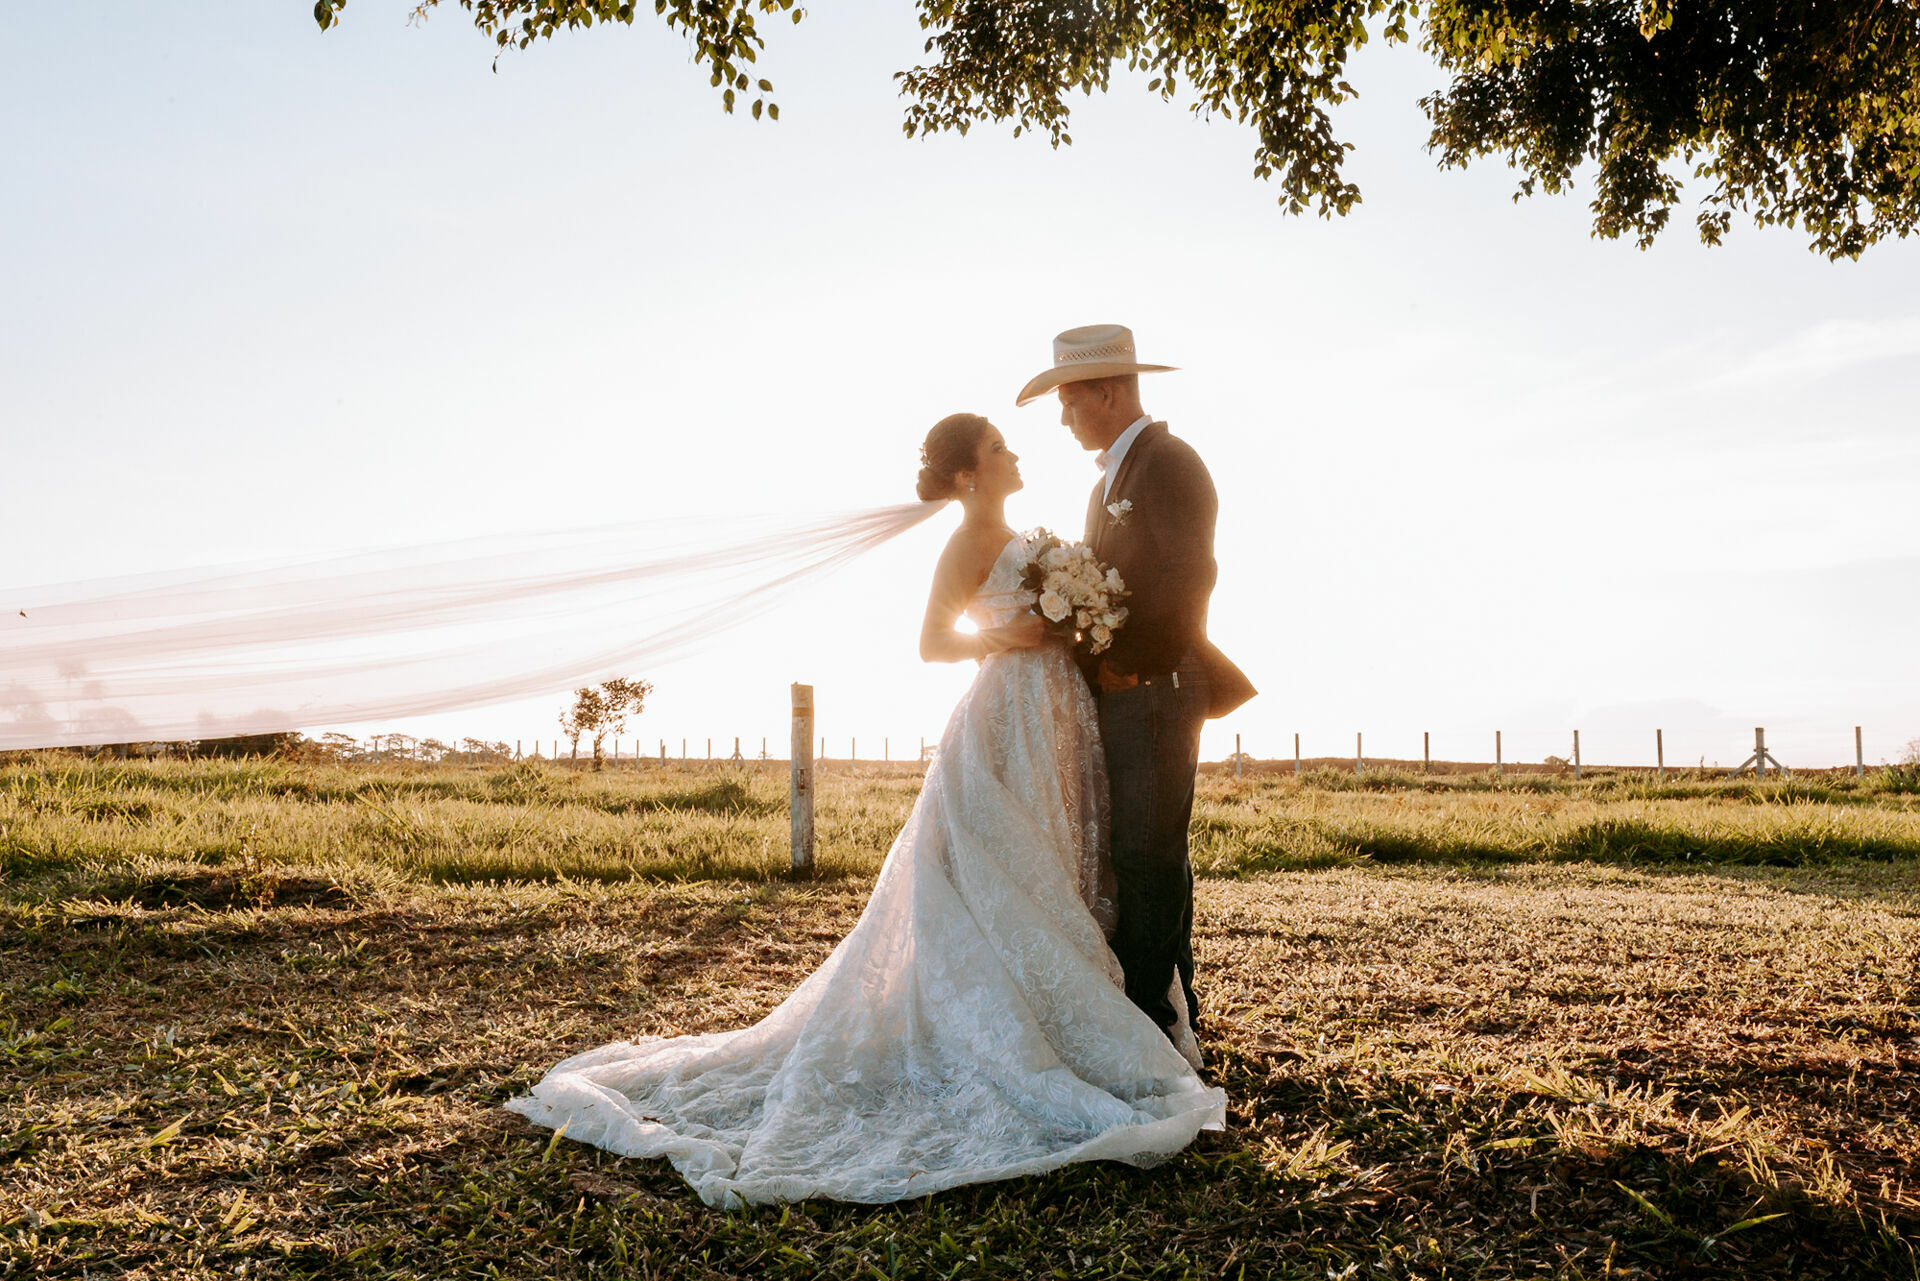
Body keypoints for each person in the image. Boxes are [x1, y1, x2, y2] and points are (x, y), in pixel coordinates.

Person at [505, 412, 1225, 1208]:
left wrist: (1071, 617)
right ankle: (1025, 1018)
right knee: (1001, 864)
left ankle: (1092, 1003)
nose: (1014, 453)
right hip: (1007, 712)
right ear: (964, 476)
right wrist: (1012, 637)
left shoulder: (1025, 532)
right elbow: (932, 642)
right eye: (997, 448)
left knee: (1058, 851)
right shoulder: (964, 542)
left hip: (1056, 713)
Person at [1016, 324, 1255, 1044]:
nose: (1062, 416)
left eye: (1069, 399)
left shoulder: (1169, 462)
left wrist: (1135, 663)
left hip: (1155, 685)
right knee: (1143, 854)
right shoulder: (1110, 480)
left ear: (1109, 391)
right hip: (1126, 688)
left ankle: (1150, 1026)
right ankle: (1172, 1019)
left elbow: (1192, 573)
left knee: (1148, 857)